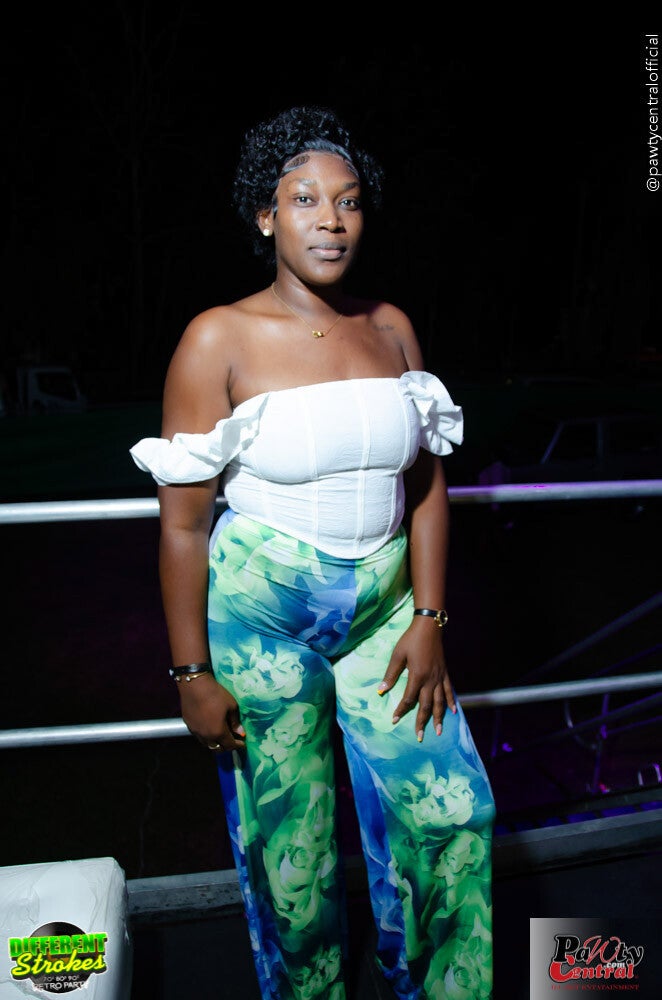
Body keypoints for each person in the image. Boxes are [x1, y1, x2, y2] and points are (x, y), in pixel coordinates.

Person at [130, 105, 495, 1000]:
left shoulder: (392, 327)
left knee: (455, 814)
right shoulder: (216, 337)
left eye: (349, 200)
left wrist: (429, 617)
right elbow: (182, 526)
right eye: (304, 200)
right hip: (262, 621)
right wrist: (191, 674)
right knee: (294, 860)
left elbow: (427, 486)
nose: (331, 220)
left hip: (387, 614)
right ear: (266, 216)